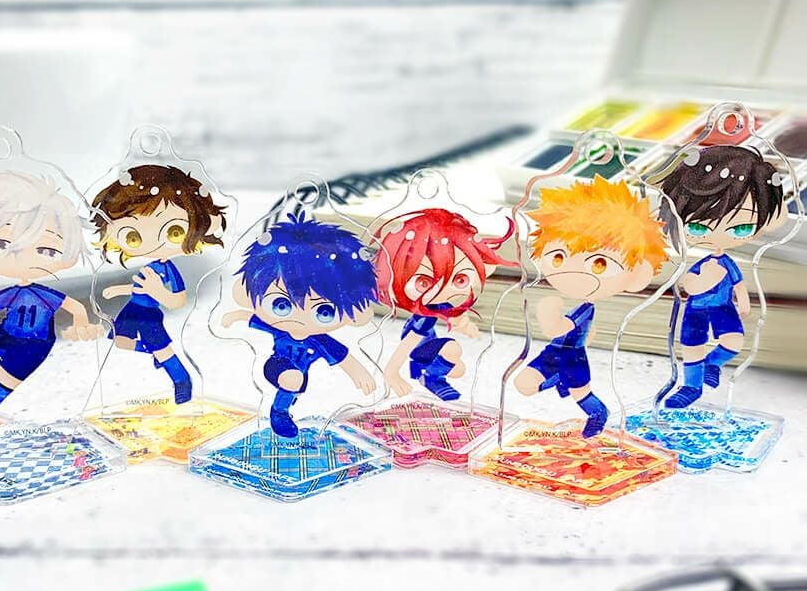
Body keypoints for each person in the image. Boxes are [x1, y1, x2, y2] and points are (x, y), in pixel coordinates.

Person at [0, 171, 101, 434]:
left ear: (68, 256)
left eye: (46, 250)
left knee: (9, 371)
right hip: (6, 333)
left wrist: (81, 324)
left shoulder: (45, 294)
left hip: (35, 343)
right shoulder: (13, 293)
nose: (20, 256)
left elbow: (74, 306)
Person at [514, 177, 670, 437]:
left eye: (599, 264)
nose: (572, 272)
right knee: (524, 384)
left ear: (636, 275)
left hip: (572, 359)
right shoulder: (576, 302)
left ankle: (598, 414)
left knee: (581, 395)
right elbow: (583, 331)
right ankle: (558, 379)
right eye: (559, 257)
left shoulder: (585, 306)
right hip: (554, 352)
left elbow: (558, 327)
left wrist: (548, 313)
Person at [223, 213, 378, 437]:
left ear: (356, 314)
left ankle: (287, 405)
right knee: (291, 380)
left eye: (324, 311)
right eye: (281, 305)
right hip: (277, 365)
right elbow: (254, 319)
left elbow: (344, 357)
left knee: (294, 385)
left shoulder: (320, 340)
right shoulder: (279, 329)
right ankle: (279, 413)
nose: (298, 318)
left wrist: (359, 373)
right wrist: (236, 315)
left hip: (300, 377)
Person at [657, 145, 786, 408]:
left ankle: (712, 364)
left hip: (723, 308)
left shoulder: (728, 264)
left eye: (741, 228)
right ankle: (691, 387)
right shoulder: (702, 265)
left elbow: (738, 284)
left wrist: (744, 302)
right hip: (695, 310)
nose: (717, 235)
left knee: (734, 342)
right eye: (697, 227)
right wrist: (701, 280)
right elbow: (689, 286)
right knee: (691, 347)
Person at [91, 164, 226, 404]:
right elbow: (140, 287)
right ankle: (157, 353)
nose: (151, 244)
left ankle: (181, 379)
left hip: (150, 316)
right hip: (132, 310)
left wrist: (159, 292)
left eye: (174, 232)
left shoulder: (168, 269)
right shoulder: (150, 266)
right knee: (122, 343)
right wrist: (119, 290)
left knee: (162, 348)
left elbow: (178, 300)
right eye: (133, 236)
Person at [374, 208, 516, 401]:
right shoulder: (423, 317)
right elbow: (408, 343)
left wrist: (466, 326)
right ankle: (427, 374)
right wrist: (392, 373)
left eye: (460, 279)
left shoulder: (439, 305)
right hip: (419, 348)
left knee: (459, 369)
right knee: (452, 348)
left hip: (427, 345)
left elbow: (454, 314)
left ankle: (429, 374)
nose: (441, 289)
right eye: (423, 282)